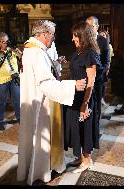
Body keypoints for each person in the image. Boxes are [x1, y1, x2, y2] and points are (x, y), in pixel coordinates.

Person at [17, 20, 87, 185]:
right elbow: (45, 83)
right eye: (52, 35)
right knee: (43, 137)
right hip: (41, 104)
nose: (53, 38)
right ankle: (42, 172)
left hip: (33, 100)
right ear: (43, 34)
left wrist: (55, 64)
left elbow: (42, 73)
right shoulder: (36, 52)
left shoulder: (32, 49)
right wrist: (72, 85)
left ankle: (39, 168)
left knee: (35, 137)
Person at [64, 21, 100, 173]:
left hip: (85, 97)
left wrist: (85, 104)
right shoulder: (77, 52)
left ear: (83, 36)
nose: (73, 39)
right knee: (76, 127)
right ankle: (80, 157)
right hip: (74, 96)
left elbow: (91, 81)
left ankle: (87, 160)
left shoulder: (90, 53)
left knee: (85, 128)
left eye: (75, 36)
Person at [0, 32, 22, 130]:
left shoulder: (11, 48)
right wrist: (2, 51)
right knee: (2, 101)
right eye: (3, 42)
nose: (5, 43)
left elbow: (20, 57)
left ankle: (20, 117)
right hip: (1, 80)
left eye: (7, 41)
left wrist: (18, 51)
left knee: (17, 99)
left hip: (14, 78)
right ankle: (0, 120)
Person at [86, 16, 110, 126]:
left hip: (98, 78)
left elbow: (106, 60)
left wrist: (97, 74)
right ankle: (88, 123)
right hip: (85, 78)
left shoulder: (103, 41)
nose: (89, 29)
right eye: (87, 26)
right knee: (87, 101)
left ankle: (96, 123)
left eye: (91, 26)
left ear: (97, 26)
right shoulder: (84, 39)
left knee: (97, 102)